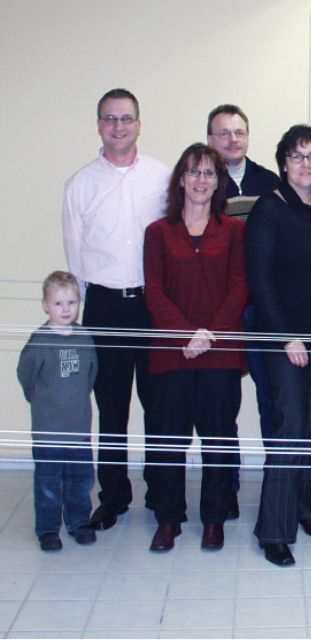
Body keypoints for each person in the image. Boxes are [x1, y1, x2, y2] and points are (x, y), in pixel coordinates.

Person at [62, 88, 170, 531]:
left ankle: (161, 493)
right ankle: (113, 497)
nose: (118, 126)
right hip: (104, 306)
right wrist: (79, 311)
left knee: (158, 404)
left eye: (126, 118)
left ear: (139, 124)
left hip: (153, 305)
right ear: (99, 125)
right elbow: (74, 255)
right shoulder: (80, 184)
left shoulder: (162, 177)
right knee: (111, 407)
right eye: (110, 118)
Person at [245, 125, 311, 567]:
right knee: (290, 427)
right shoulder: (269, 208)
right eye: (297, 155)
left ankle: (306, 508)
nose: (306, 164)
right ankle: (274, 530)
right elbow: (261, 280)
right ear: (284, 162)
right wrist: (287, 336)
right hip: (283, 335)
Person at [143, 143, 248, 552]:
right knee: (168, 439)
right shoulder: (157, 232)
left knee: (218, 439)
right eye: (193, 172)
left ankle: (214, 519)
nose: (201, 180)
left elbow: (239, 287)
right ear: (181, 180)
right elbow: (154, 292)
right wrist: (186, 335)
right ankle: (168, 519)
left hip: (220, 354)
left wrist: (208, 335)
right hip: (171, 353)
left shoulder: (234, 231)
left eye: (209, 173)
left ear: (218, 182)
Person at [207, 103, 282, 519]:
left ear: (249, 137)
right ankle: (227, 489)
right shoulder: (201, 183)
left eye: (238, 132)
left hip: (262, 309)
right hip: (221, 313)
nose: (232, 140)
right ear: (210, 139)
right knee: (223, 404)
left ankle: (276, 485)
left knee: (271, 399)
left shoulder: (270, 184)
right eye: (223, 133)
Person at [17, 271, 98, 552]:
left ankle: (79, 522)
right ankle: (48, 529)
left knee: (80, 479)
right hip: (48, 429)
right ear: (45, 305)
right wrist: (39, 399)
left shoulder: (85, 338)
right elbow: (26, 375)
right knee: (48, 481)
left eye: (72, 302)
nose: (66, 309)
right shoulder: (39, 342)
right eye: (58, 303)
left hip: (78, 429)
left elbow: (91, 374)